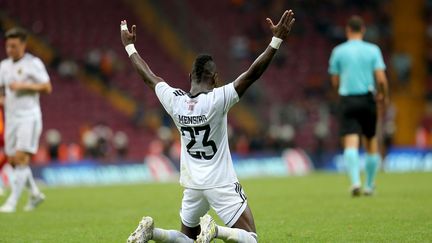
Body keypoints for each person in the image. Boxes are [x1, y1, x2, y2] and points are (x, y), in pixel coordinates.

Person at [121, 10, 295, 243]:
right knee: (251, 238)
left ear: (190, 75)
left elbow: (149, 77)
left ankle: (153, 232)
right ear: (214, 79)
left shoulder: (175, 100)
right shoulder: (218, 99)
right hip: (220, 182)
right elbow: (252, 74)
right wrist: (276, 40)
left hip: (193, 184)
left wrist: (129, 47)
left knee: (187, 239)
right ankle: (217, 231)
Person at [328, 16, 389, 196]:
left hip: (348, 99)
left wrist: (341, 91)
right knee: (370, 141)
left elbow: (335, 81)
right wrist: (383, 96)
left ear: (348, 30)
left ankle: (355, 182)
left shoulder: (338, 51)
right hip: (368, 99)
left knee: (350, 143)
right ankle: (369, 185)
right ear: (363, 30)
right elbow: (381, 79)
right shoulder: (373, 50)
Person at [0, 27, 52, 212]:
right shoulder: (4, 66)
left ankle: (12, 202)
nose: (10, 50)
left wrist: (23, 86)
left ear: (23, 45)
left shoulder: (33, 63)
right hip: (11, 118)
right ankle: (35, 194)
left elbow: (47, 87)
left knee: (22, 158)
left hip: (28, 117)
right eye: (8, 46)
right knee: (13, 161)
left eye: (14, 46)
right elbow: (2, 90)